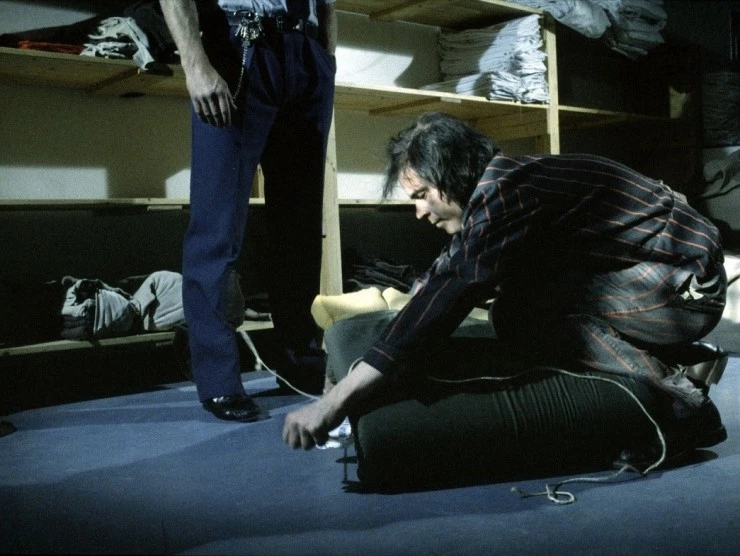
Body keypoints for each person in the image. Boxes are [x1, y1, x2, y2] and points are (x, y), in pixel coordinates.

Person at [282, 112, 728, 472]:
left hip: (683, 288)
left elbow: (450, 293)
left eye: (421, 194)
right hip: (659, 275)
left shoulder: (508, 195)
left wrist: (339, 399)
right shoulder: (503, 186)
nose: (419, 212)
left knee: (525, 313)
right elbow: (441, 276)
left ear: (452, 174)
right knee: (516, 300)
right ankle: (681, 355)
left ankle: (683, 405)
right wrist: (353, 363)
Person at [160, 0, 337, 421]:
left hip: (305, 50)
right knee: (217, 226)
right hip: (239, 44)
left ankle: (301, 361)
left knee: (300, 225)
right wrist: (195, 64)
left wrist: (326, 56)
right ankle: (219, 380)